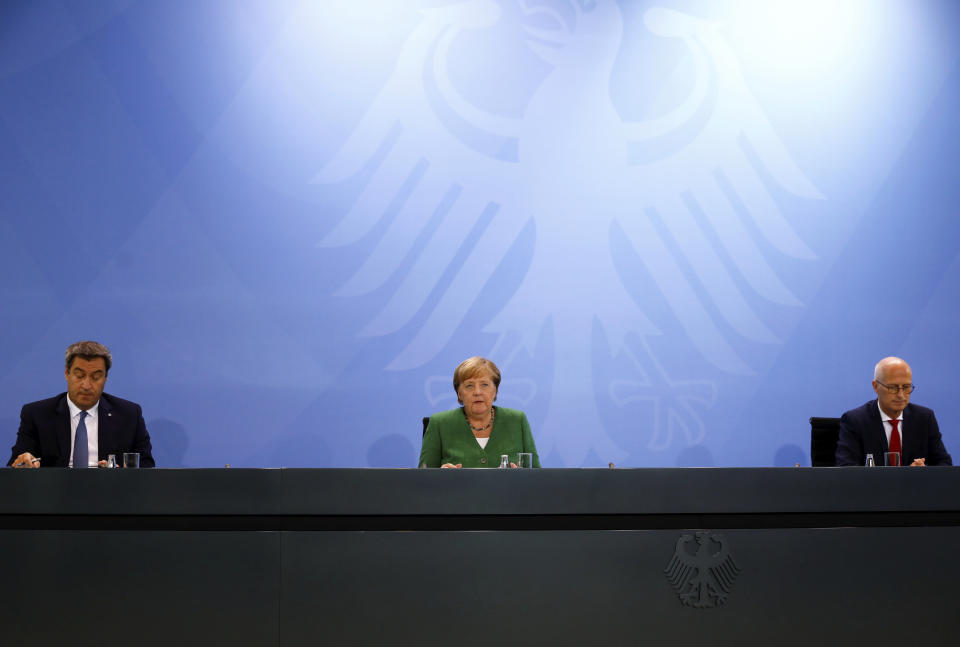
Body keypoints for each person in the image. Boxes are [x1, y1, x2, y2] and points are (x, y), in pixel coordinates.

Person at [7, 341, 155, 468]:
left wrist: (121, 475)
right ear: (67, 373)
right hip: (54, 495)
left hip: (110, 495)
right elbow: (17, 464)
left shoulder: (128, 414)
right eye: (79, 375)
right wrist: (23, 462)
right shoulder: (37, 414)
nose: (86, 385)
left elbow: (146, 467)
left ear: (106, 378)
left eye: (96, 377)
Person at [419, 356, 540, 468]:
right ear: (459, 393)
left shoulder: (517, 420)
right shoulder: (439, 424)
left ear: (495, 391)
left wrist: (522, 479)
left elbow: (537, 477)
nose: (477, 392)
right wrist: (439, 477)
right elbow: (422, 480)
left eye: (484, 385)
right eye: (469, 386)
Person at [835, 356, 951, 467]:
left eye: (906, 387)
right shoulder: (855, 420)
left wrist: (922, 472)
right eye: (893, 388)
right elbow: (846, 468)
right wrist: (905, 476)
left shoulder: (924, 418)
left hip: (915, 487)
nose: (901, 395)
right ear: (875, 386)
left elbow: (944, 464)